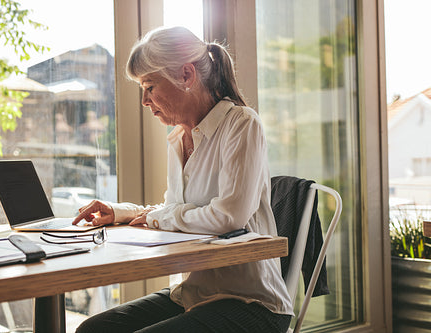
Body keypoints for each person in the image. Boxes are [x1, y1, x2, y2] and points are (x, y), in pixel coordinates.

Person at [74, 26, 293, 333]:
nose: (144, 101)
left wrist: (156, 218)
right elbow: (179, 211)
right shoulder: (178, 139)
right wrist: (123, 213)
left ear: (187, 76)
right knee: (93, 330)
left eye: (149, 87)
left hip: (251, 304)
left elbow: (229, 217)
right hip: (194, 294)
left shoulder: (241, 125)